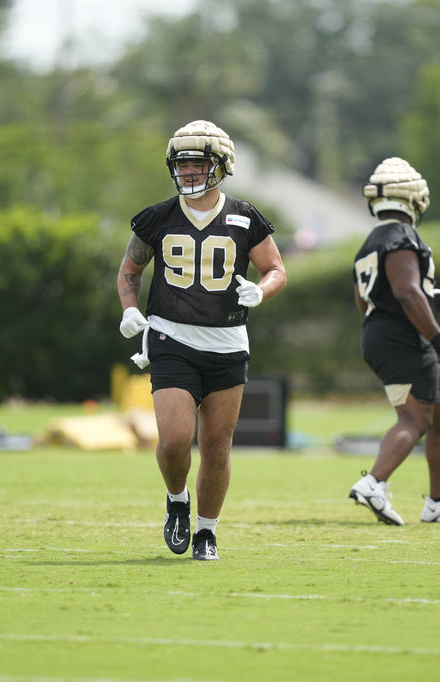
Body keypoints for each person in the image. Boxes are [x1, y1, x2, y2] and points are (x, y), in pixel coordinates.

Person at [117, 120, 287, 560]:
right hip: (172, 339)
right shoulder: (157, 217)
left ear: (221, 166)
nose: (189, 172)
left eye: (197, 163)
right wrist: (130, 309)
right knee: (174, 440)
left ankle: (207, 532)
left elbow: (276, 269)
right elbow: (130, 271)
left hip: (228, 344)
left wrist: (262, 290)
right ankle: (177, 501)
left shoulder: (245, 217)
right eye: (182, 164)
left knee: (216, 447)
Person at [347, 157, 440, 526]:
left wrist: (429, 293)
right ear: (414, 199)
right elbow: (404, 292)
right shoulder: (402, 236)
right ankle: (374, 483)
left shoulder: (371, 242)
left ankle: (438, 504)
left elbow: (367, 299)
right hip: (403, 335)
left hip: (383, 331)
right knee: (415, 417)